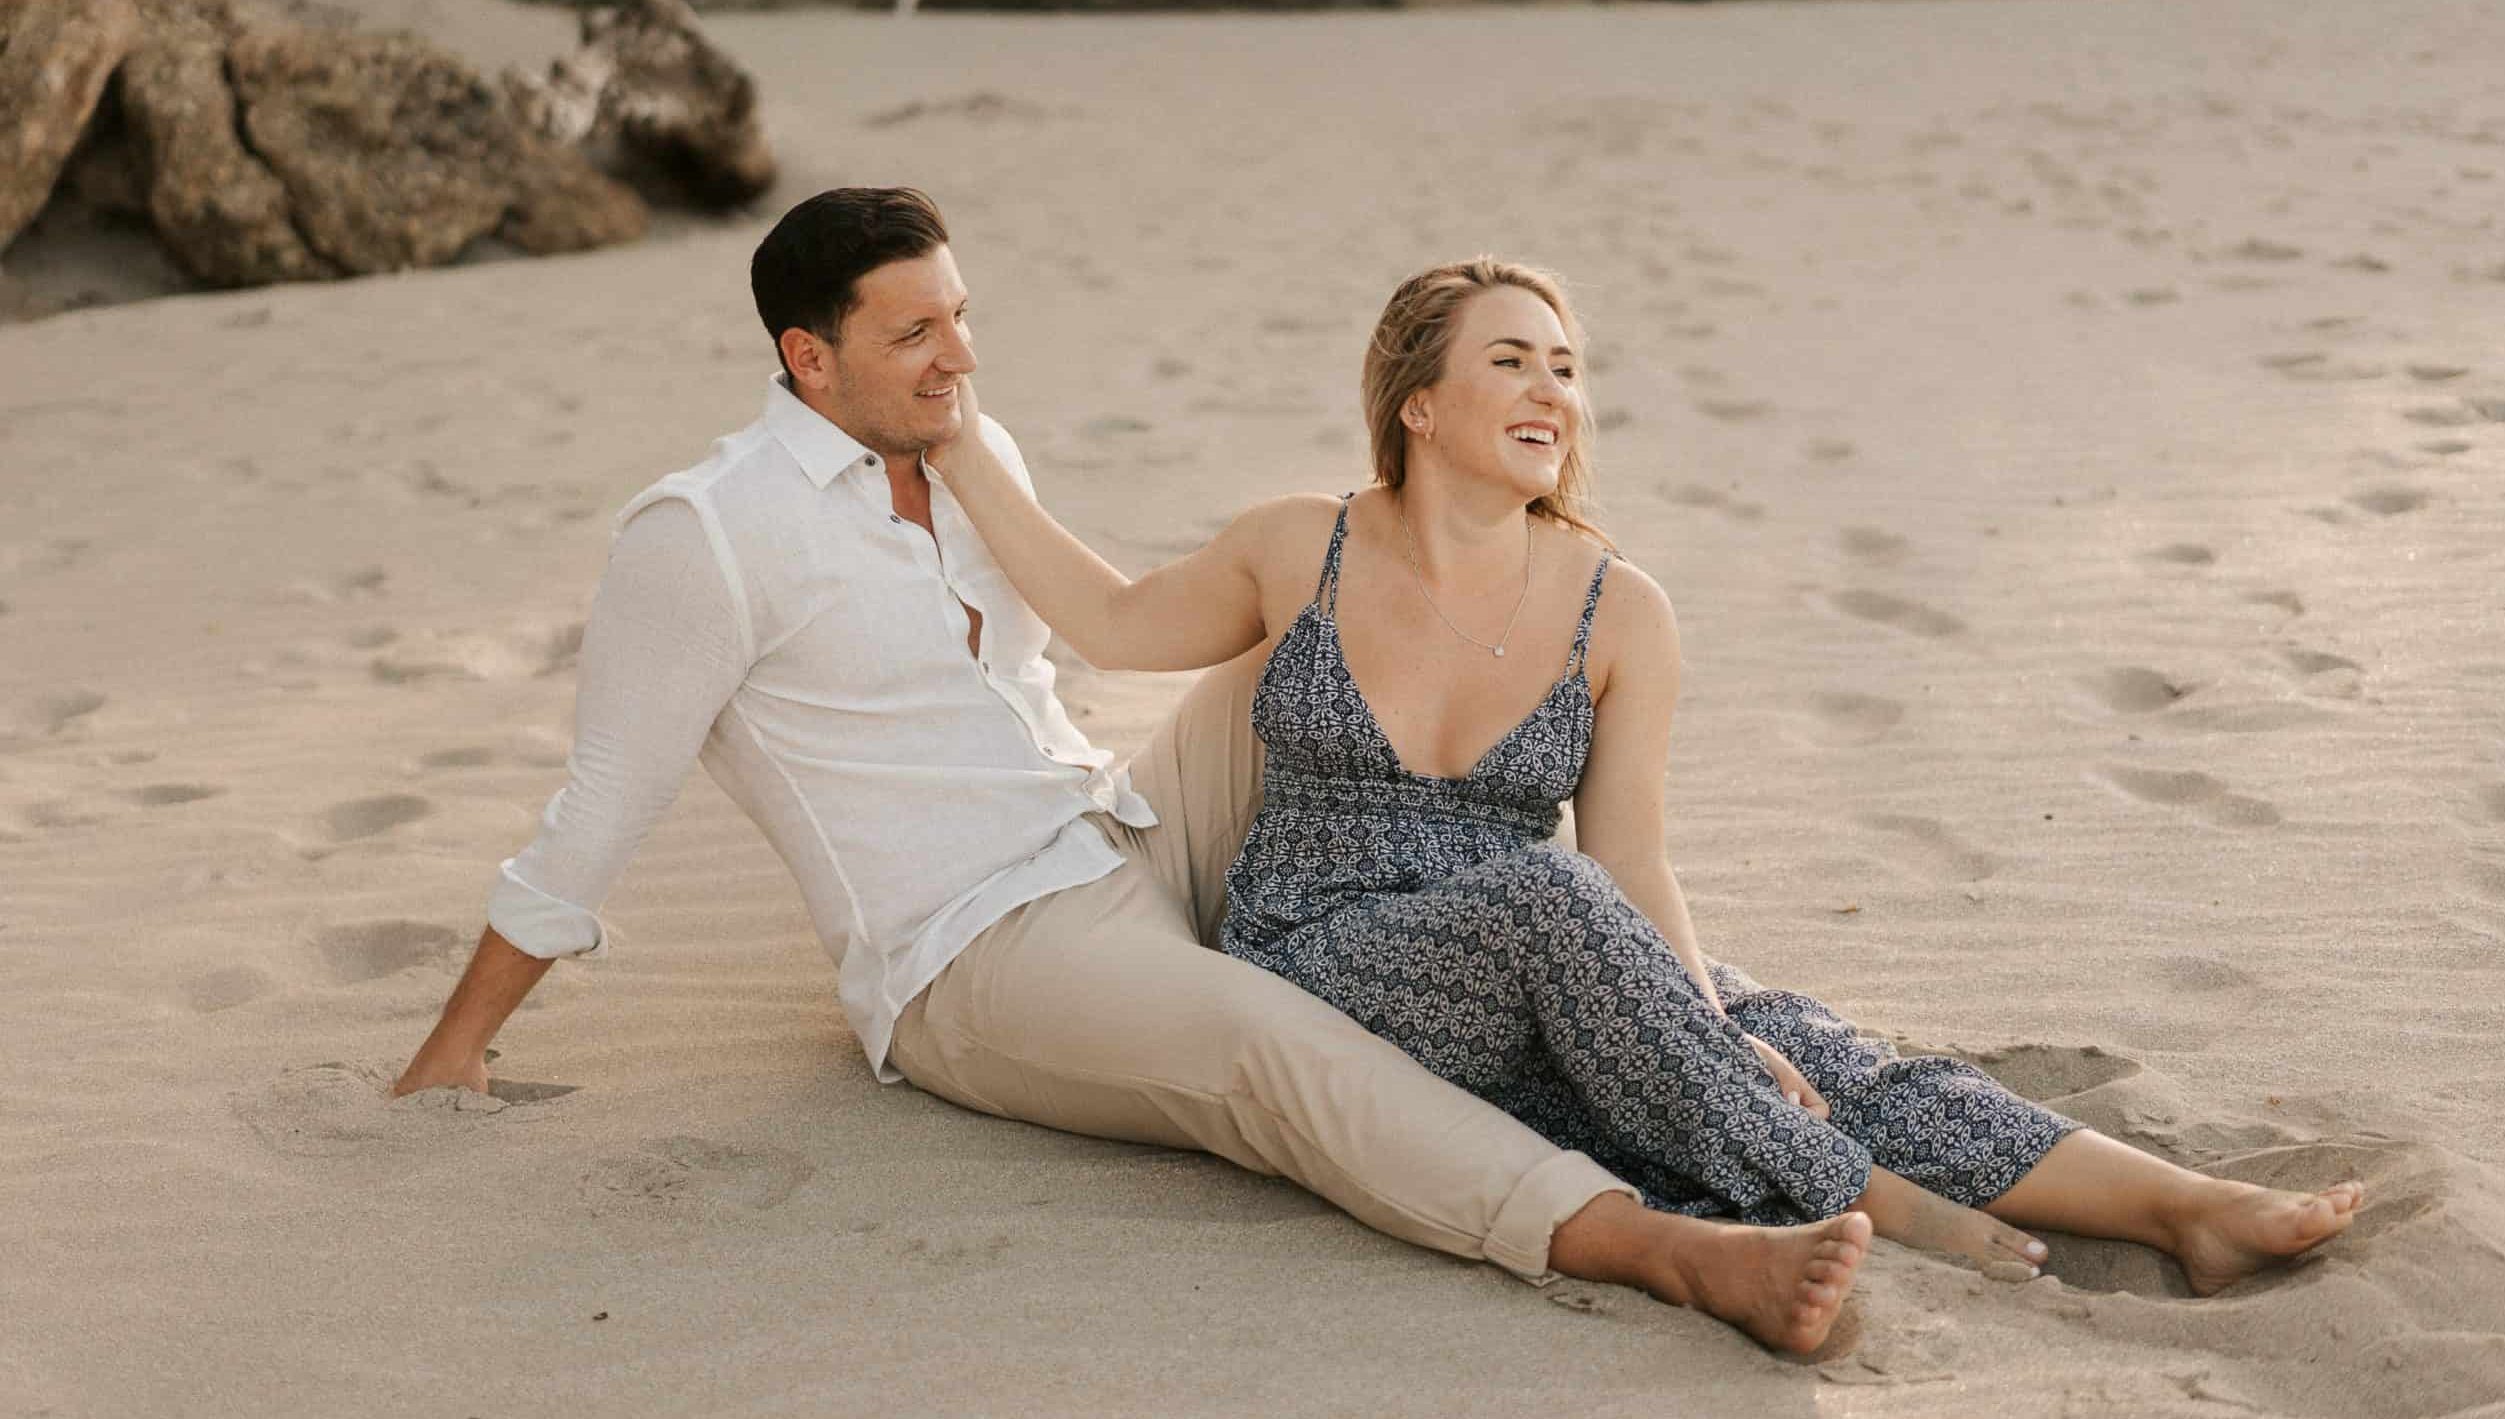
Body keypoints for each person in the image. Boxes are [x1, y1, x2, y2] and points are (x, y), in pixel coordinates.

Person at [389, 188, 1873, 1355]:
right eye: (914, 336)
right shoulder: (703, 535)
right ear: (808, 358)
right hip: (978, 947)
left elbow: (1095, 638)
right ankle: (1658, 1244)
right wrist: (456, 1049)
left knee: (1313, 624)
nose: (959, 358)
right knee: (1272, 1048)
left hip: (1122, 827)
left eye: (961, 317)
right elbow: (602, 803)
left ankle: (1595, 968)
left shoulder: (971, 451)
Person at [923, 254, 2368, 1302]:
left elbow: (1631, 859)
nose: (1551, 389)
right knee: (1565, 920)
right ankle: (1872, 1200)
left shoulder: (1621, 609)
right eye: (1511, 359)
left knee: (1788, 1033)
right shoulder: (1303, 544)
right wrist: (963, 450)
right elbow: (1112, 623)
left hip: (1547, 941)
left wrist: (1710, 1019)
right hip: (1323, 955)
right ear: (1417, 403)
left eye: (1566, 366)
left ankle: (2181, 1206)